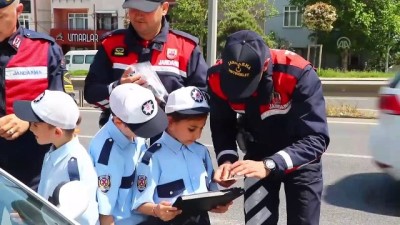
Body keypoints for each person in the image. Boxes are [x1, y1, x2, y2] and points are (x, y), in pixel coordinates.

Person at [207, 30, 330, 225]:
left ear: (265, 66)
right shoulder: (216, 77)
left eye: (247, 84)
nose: (241, 92)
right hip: (256, 155)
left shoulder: (297, 72)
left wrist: (270, 164)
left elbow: (317, 139)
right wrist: (227, 161)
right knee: (257, 222)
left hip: (301, 157)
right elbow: (222, 124)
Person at [84, 0, 208, 127]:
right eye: (133, 8)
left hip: (169, 139)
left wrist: (170, 106)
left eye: (146, 9)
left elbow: (204, 97)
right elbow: (90, 94)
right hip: (123, 139)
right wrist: (117, 88)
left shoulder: (186, 48)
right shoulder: (111, 44)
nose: (138, 14)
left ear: (164, 8)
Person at [130, 86, 232, 225]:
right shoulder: (153, 157)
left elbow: (210, 191)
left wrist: (218, 204)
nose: (198, 135)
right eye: (192, 129)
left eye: (201, 128)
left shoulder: (201, 152)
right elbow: (140, 203)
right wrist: (156, 210)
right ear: (170, 122)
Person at [0, 0, 66, 189]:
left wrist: (28, 120)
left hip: (32, 166)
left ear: (19, 11)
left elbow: (62, 106)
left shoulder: (44, 48)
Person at [13, 90, 99, 225]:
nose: (30, 129)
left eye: (35, 124)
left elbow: (79, 218)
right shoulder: (54, 151)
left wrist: (37, 219)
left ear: (57, 132)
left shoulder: (74, 167)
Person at [89, 83, 168, 225]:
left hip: (144, 215)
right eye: (142, 128)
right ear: (119, 121)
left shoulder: (133, 130)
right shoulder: (107, 154)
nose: (146, 133)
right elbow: (105, 214)